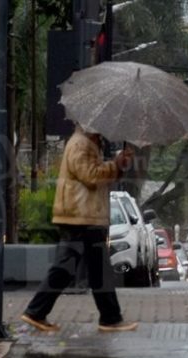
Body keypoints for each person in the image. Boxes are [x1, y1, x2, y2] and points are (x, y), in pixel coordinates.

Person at [21, 125, 138, 332]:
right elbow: (91, 176)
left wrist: (118, 166)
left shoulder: (90, 144)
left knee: (97, 270)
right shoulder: (80, 145)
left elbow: (97, 177)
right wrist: (115, 165)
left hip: (87, 216)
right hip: (79, 216)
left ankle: (110, 317)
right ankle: (36, 311)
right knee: (68, 268)